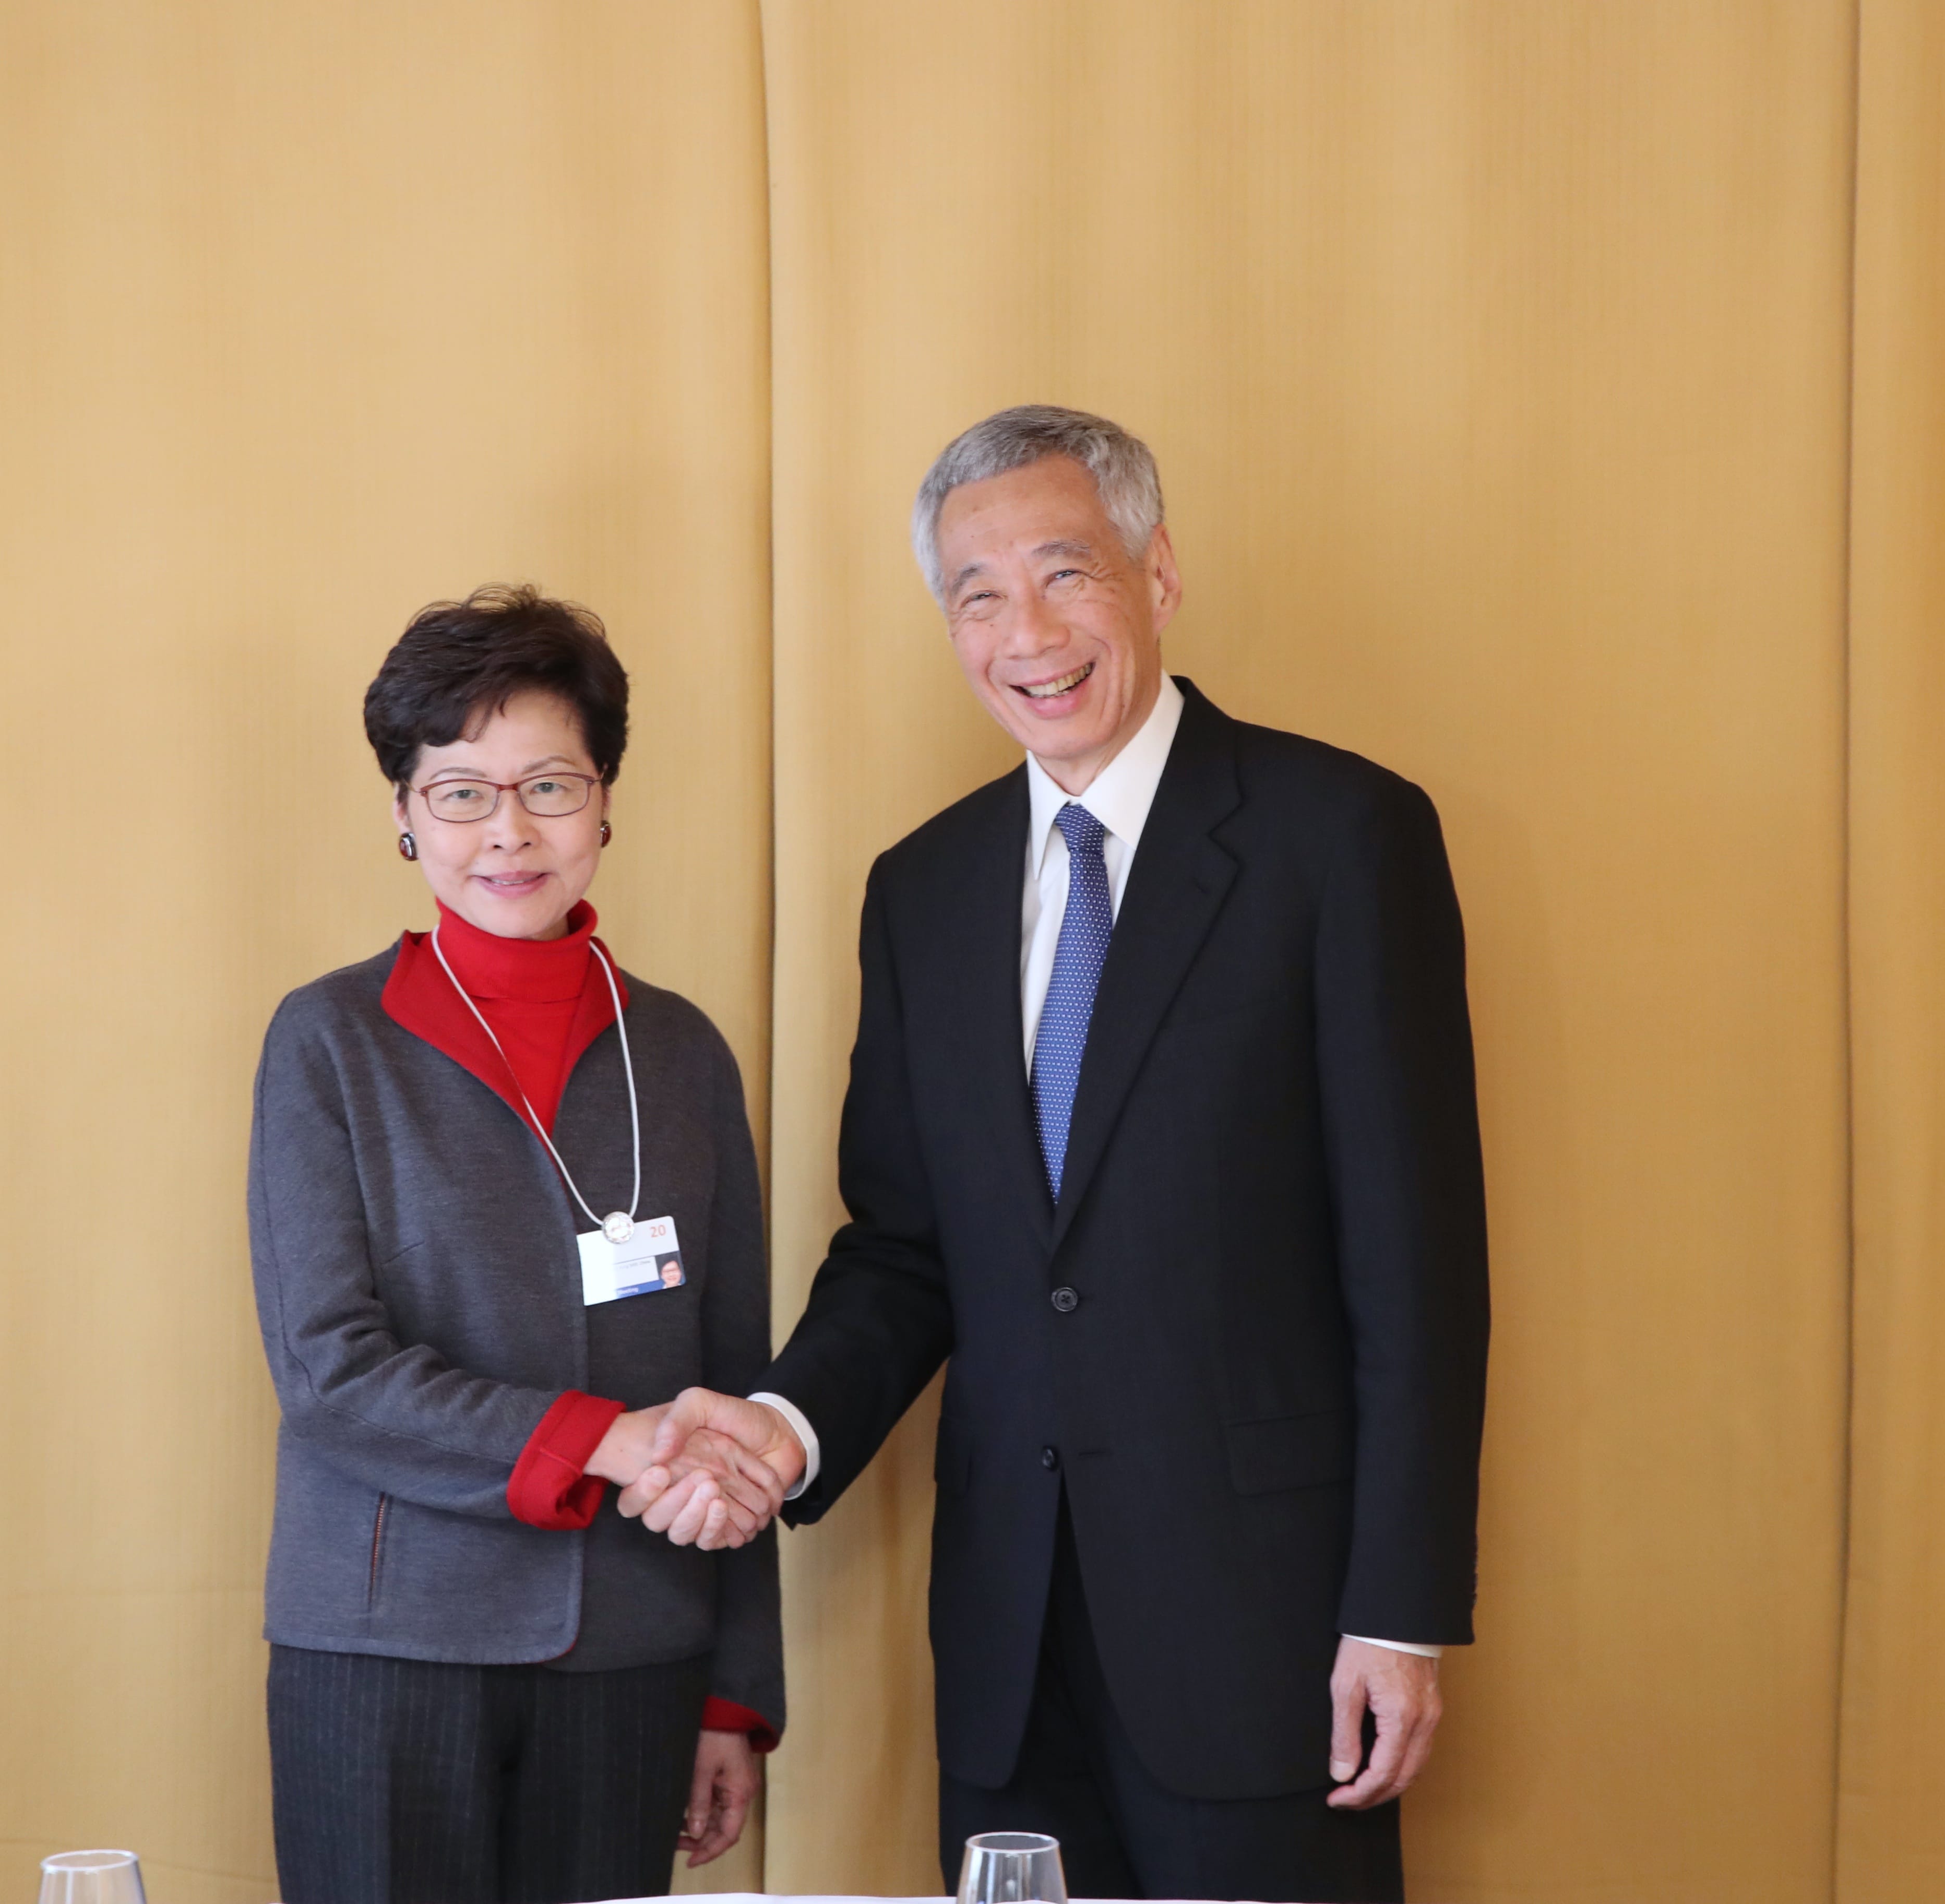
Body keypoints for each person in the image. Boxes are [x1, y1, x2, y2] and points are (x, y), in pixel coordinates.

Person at [623, 408, 1491, 1902]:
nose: (1024, 630)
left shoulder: (1339, 839)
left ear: (1156, 576)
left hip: (1274, 1640)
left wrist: (1400, 1612)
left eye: (1064, 572)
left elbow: (1417, 1264)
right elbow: (905, 1249)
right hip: (1012, 1652)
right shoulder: (925, 888)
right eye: (976, 593)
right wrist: (786, 1426)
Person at [248, 585, 787, 1904]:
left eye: (549, 785)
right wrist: (601, 1438)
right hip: (387, 1650)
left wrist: (734, 1692)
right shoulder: (329, 1042)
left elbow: (736, 1375)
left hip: (634, 1650)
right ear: (403, 815)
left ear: (605, 802)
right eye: (461, 792)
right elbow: (330, 1369)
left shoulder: (684, 1051)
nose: (510, 832)